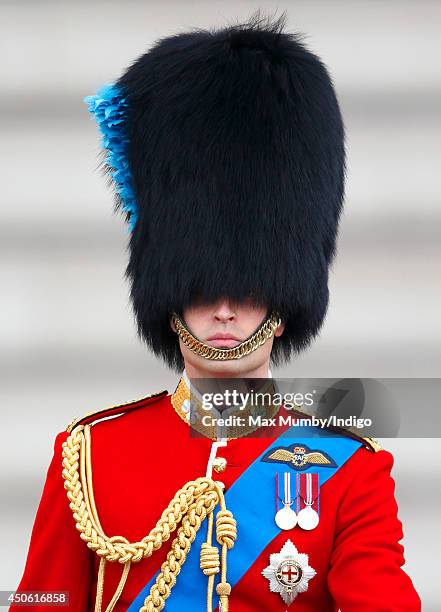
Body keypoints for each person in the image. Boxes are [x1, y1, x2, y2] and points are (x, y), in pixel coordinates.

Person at [12, 13, 420, 612]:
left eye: (250, 289)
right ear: (171, 293)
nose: (225, 310)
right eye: (203, 289)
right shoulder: (92, 456)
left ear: (280, 305)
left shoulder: (349, 473)